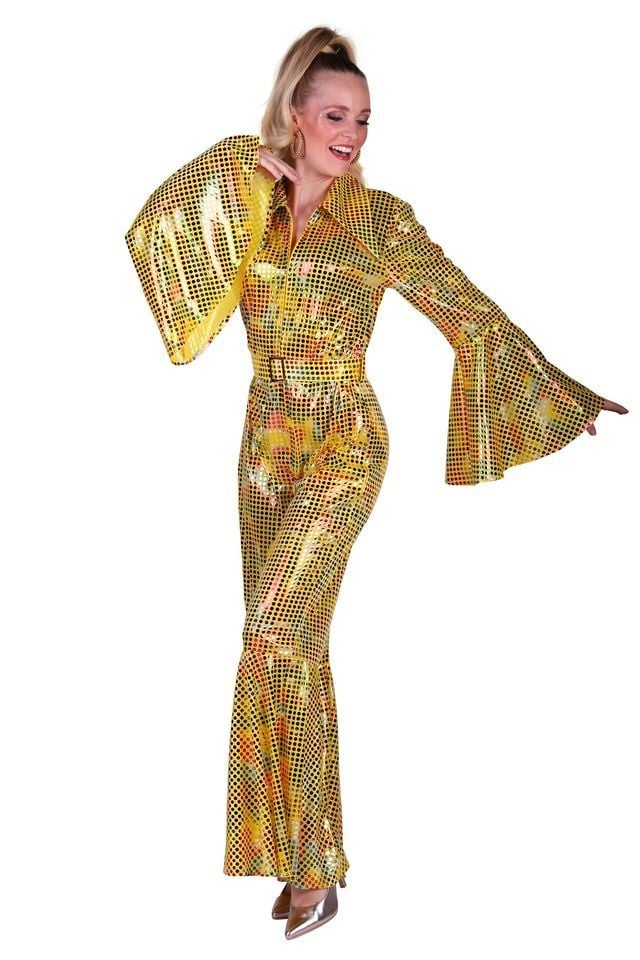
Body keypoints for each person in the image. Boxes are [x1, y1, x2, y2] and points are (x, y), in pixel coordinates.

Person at [124, 25, 628, 940]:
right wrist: (236, 164)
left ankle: (315, 866)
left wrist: (556, 395)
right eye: (334, 116)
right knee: (283, 646)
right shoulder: (248, 201)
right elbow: (159, 239)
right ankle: (297, 855)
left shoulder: (382, 221)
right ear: (294, 114)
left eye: (362, 119)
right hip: (264, 448)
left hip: (345, 442)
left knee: (275, 627)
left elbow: (469, 313)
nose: (351, 134)